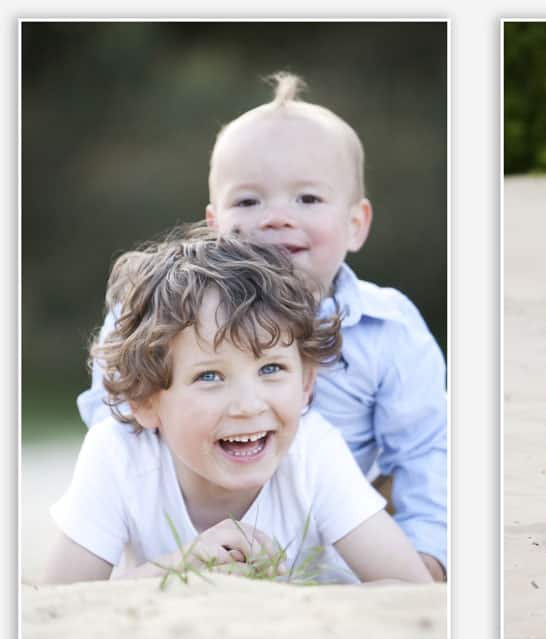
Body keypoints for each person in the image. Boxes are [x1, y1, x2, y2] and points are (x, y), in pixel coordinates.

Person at [76, 72, 448, 581]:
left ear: (355, 224)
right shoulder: (152, 310)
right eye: (248, 202)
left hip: (338, 540)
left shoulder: (389, 328)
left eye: (307, 199)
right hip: (183, 534)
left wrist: (429, 551)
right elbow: (114, 425)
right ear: (214, 224)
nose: (276, 217)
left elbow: (425, 449)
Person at [46, 232, 432, 585]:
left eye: (271, 369)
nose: (248, 406)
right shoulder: (118, 455)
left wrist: (289, 596)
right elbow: (60, 598)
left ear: (306, 384)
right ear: (146, 402)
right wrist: (178, 566)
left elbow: (412, 588)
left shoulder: (313, 452)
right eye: (209, 376)